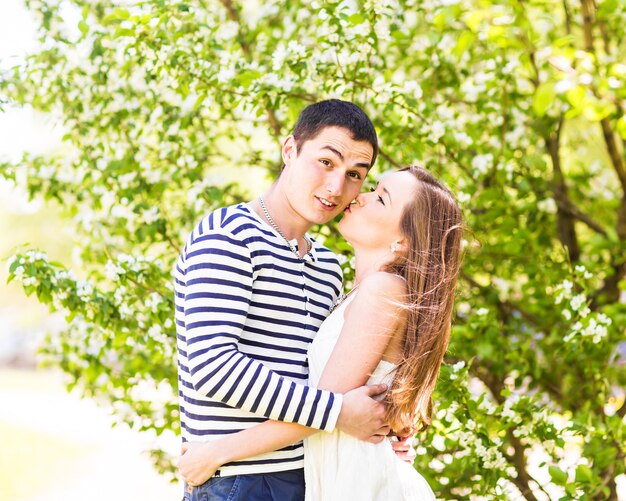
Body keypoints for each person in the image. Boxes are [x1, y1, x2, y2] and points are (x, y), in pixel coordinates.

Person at [175, 100, 414, 501]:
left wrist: (387, 424)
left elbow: (328, 377)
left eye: (355, 175)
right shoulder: (229, 234)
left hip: (312, 477)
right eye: (326, 161)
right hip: (238, 480)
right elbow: (213, 368)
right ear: (290, 150)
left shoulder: (326, 267)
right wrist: (339, 413)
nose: (336, 187)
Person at [178, 166, 464, 500]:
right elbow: (331, 406)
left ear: (402, 242)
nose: (359, 197)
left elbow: (323, 408)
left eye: (380, 199)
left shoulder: (384, 290)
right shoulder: (352, 288)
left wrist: (217, 452)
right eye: (373, 187)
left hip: (362, 482)